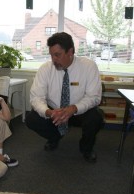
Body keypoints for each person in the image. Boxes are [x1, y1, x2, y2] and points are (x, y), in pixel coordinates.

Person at [25, 32, 104, 163]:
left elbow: (94, 97)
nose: (53, 60)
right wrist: (49, 112)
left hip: (78, 111)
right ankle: (54, 137)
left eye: (57, 55)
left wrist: (73, 108)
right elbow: (36, 97)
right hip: (54, 112)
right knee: (31, 119)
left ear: (70, 52)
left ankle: (86, 148)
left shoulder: (88, 66)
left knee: (96, 118)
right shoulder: (45, 69)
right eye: (51, 55)